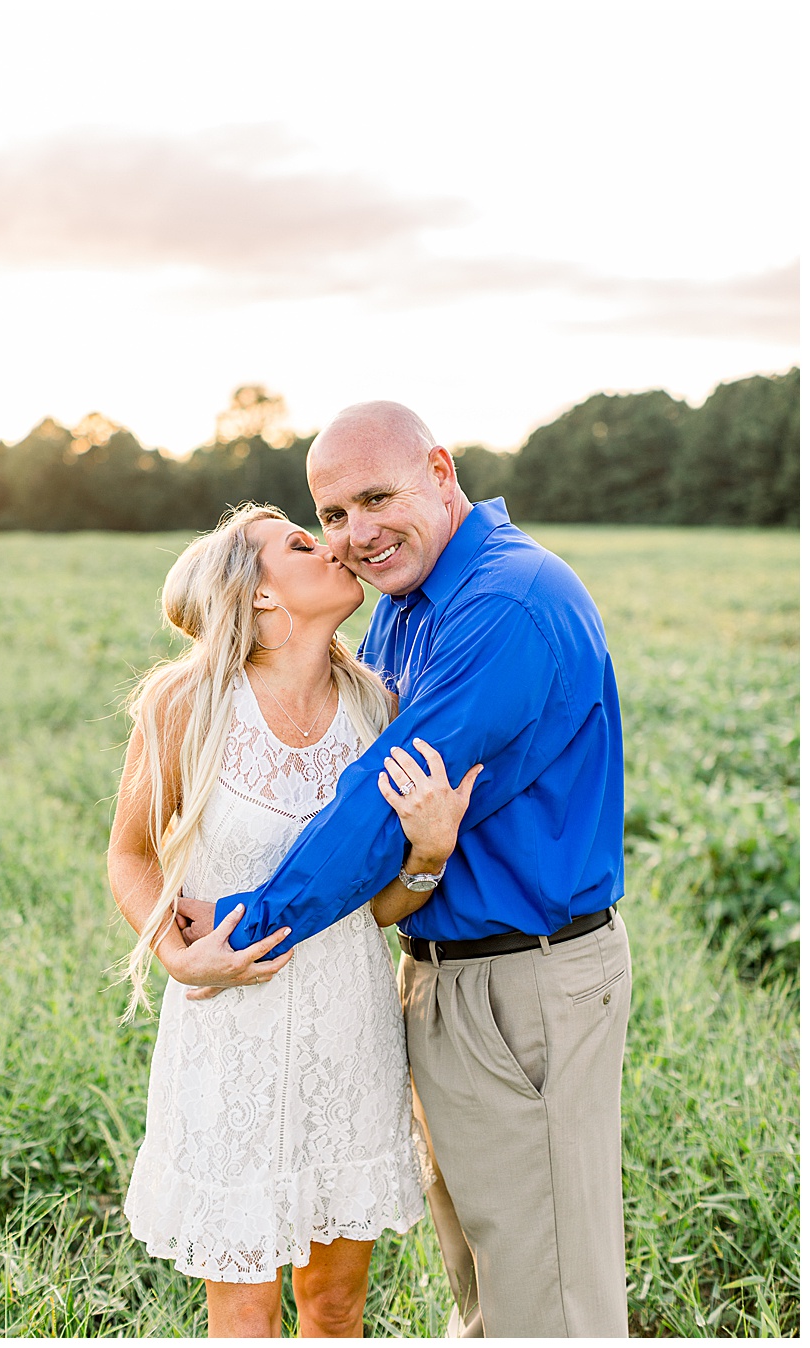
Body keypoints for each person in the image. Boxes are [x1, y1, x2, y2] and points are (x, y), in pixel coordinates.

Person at [176, 402, 631, 1338]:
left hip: (526, 976)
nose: (355, 537)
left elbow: (375, 801)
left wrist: (249, 923)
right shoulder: (406, 614)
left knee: (548, 1297)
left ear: (440, 469)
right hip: (437, 975)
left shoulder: (506, 601)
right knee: (487, 1270)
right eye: (333, 516)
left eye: (376, 498)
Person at [110, 503, 482, 1336]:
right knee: (244, 1311)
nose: (340, 546)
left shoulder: (378, 708)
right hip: (227, 1042)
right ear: (260, 599)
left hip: (347, 1038)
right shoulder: (184, 706)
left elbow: (373, 910)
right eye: (304, 543)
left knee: (336, 1304)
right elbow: (130, 856)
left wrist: (428, 855)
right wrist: (177, 957)